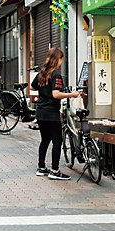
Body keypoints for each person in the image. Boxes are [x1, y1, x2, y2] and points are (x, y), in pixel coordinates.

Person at [31, 47, 81, 180]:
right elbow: (56, 94)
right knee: (57, 141)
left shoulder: (42, 73)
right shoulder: (55, 75)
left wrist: (43, 90)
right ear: (57, 59)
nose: (61, 62)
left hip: (40, 113)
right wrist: (72, 94)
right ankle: (54, 170)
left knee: (45, 140)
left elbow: (32, 86)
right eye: (61, 59)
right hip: (51, 113)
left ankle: (41, 168)